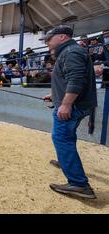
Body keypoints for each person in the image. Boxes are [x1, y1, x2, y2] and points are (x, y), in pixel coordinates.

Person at [41, 25, 98, 199]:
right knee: (67, 136)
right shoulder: (71, 51)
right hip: (76, 104)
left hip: (73, 106)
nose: (47, 42)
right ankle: (67, 161)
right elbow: (69, 79)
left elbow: (75, 80)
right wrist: (55, 95)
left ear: (62, 37)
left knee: (61, 138)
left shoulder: (71, 52)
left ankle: (79, 184)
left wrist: (65, 104)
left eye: (49, 38)